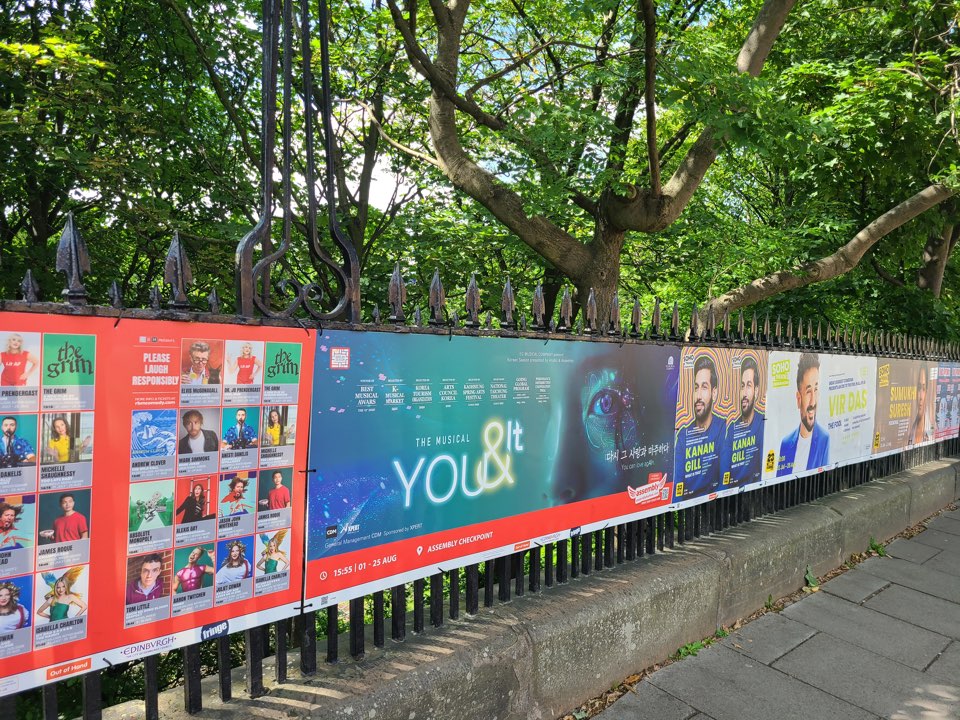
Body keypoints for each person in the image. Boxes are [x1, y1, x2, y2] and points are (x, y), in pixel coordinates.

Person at [673, 355, 725, 498]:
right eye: (696, 388)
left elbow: (724, 478)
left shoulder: (722, 428)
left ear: (714, 392)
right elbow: (677, 485)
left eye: (704, 387)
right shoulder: (683, 436)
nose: (698, 396)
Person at [777, 353, 830, 477]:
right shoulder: (786, 443)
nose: (813, 402)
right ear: (798, 398)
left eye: (815, 389)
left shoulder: (824, 439)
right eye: (808, 391)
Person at [721, 356, 765, 486]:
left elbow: (762, 472)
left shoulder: (762, 424)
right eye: (742, 386)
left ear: (756, 391)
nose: (744, 393)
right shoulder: (732, 429)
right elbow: (724, 470)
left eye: (749, 385)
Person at [910, 366, 931, 445]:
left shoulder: (932, 430)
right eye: (918, 388)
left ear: (927, 392)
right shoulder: (909, 431)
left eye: (923, 389)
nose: (921, 397)